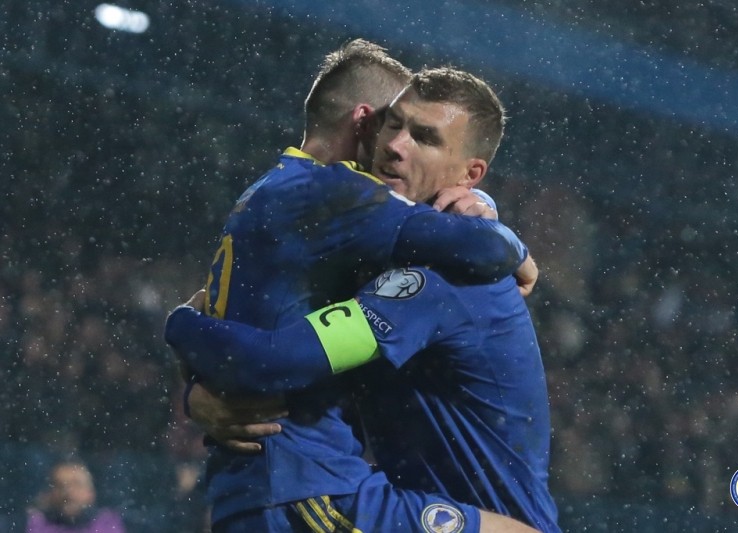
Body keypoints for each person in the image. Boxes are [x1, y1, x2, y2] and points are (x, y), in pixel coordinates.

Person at [166, 67, 560, 532]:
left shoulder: (435, 279)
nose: (395, 145)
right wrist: (201, 393)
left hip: (485, 518)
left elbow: (274, 359)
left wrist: (180, 325)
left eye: (425, 138)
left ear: (470, 173)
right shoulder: (379, 249)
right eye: (394, 124)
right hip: (423, 507)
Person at [26, 460, 126, 533]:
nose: (68, 492)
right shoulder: (36, 524)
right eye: (60, 486)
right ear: (50, 493)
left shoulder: (109, 523)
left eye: (76, 484)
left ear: (90, 492)